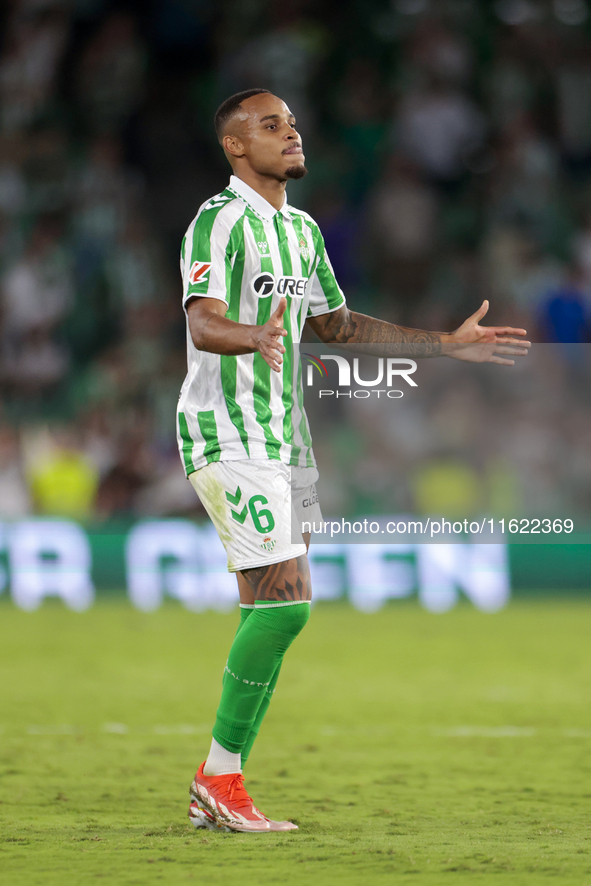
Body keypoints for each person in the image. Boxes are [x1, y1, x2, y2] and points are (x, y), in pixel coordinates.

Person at [177, 88, 530, 833]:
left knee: (274, 612)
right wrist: (255, 338)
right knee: (285, 606)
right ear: (236, 147)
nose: (291, 134)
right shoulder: (219, 221)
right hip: (228, 430)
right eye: (270, 126)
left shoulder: (301, 232)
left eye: (294, 122)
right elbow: (204, 321)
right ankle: (219, 776)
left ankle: (221, 783)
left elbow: (334, 325)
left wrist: (443, 343)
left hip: (288, 441)